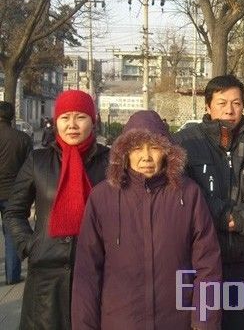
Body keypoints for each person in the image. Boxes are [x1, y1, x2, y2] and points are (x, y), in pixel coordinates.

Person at [72, 110, 222, 330]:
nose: (146, 157)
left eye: (154, 147)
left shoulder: (187, 193)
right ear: (124, 152)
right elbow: (87, 271)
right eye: (136, 148)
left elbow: (207, 264)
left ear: (167, 152)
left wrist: (205, 321)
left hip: (175, 321)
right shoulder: (103, 197)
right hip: (120, 321)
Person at [174, 75, 244, 330]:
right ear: (207, 106)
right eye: (222, 102)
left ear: (243, 106)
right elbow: (183, 193)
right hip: (198, 261)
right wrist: (223, 215)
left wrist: (234, 219)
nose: (229, 109)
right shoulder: (185, 144)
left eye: (236, 103)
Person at [4, 90, 109, 330]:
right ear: (56, 121)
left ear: (93, 121)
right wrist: (30, 244)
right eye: (65, 117)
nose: (72, 125)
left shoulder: (108, 161)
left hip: (95, 272)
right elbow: (14, 211)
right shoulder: (38, 160)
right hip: (46, 276)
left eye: (80, 117)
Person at [0, 101, 32, 285]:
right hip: (13, 193)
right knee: (12, 233)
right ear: (12, 116)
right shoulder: (22, 138)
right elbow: (29, 169)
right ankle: (12, 275)